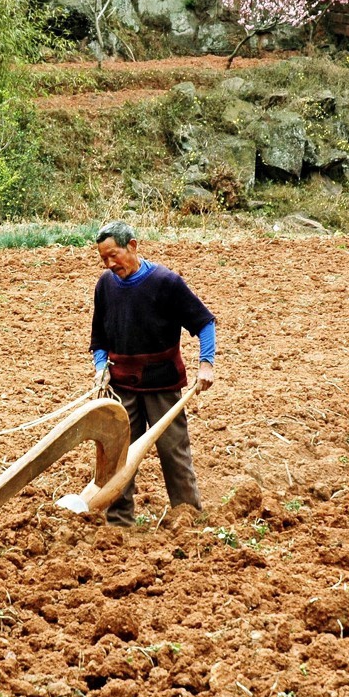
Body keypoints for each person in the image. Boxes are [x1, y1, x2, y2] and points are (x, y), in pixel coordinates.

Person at [89, 220, 215, 526]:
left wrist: (206, 364)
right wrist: (100, 367)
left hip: (162, 385)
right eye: (103, 258)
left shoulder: (166, 282)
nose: (109, 263)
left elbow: (204, 323)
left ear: (133, 246)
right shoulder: (105, 286)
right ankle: (119, 523)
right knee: (118, 456)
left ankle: (188, 517)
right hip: (121, 385)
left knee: (174, 453)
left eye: (114, 255)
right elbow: (99, 339)